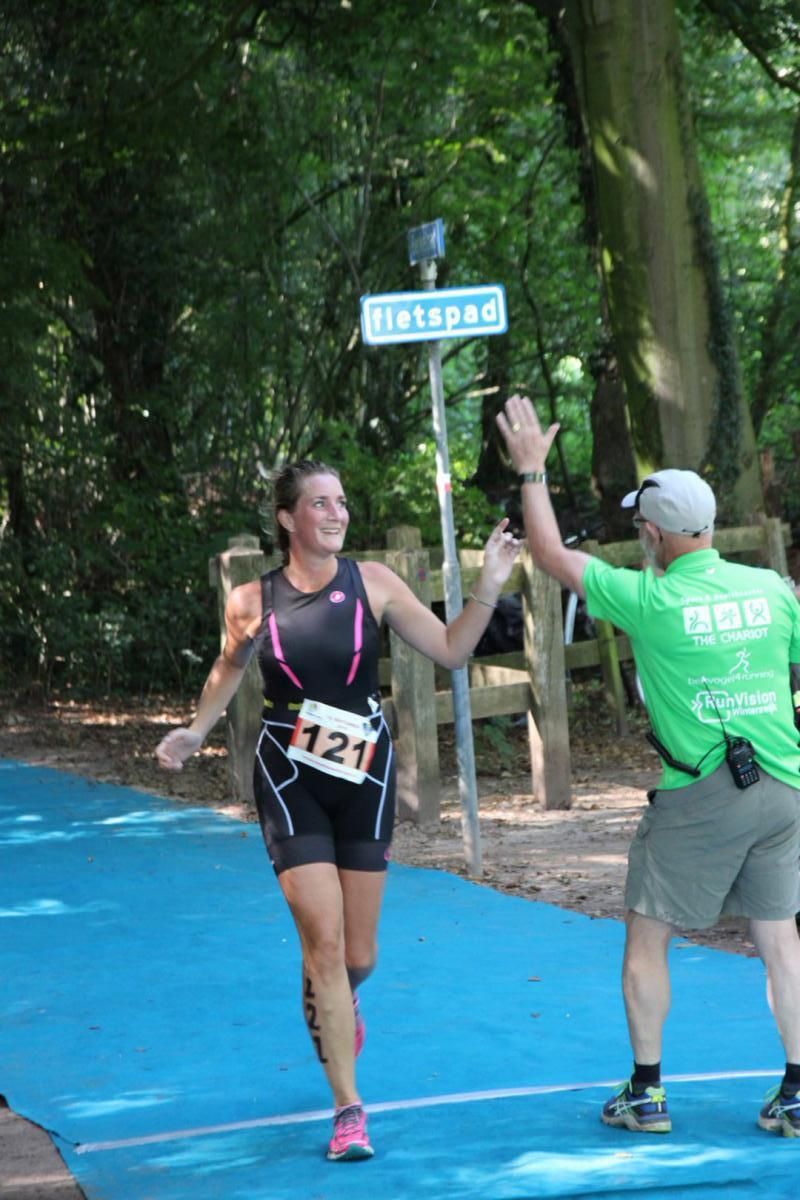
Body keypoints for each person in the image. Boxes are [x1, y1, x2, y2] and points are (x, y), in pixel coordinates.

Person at [155, 459, 521, 1161]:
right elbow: (231, 666)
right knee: (322, 944)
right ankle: (349, 1109)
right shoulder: (249, 599)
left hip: (364, 774)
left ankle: (334, 994)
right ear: (288, 519)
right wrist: (196, 730)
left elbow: (450, 650)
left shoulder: (373, 583)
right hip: (288, 775)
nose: (335, 512)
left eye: (341, 502)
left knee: (357, 954)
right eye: (319, 503)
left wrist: (489, 585)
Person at [496, 394, 800, 1139]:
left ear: (656, 534)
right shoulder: (772, 589)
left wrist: (533, 473)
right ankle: (797, 1091)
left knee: (647, 935)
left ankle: (647, 1091)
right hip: (786, 783)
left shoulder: (650, 598)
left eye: (641, 528)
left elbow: (550, 556)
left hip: (700, 789)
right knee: (780, 936)